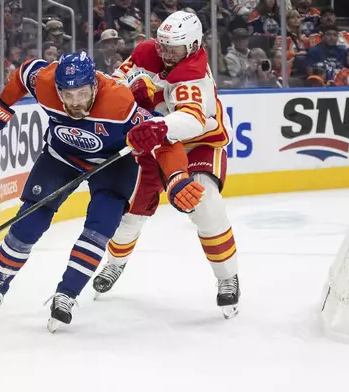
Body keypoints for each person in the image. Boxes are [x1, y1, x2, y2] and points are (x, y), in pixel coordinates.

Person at [0, 51, 155, 332]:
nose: (74, 102)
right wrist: (2, 104)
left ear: (94, 85)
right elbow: (24, 72)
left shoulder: (120, 102)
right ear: (57, 88)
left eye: (81, 93)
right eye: (66, 95)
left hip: (112, 163)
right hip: (62, 156)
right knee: (29, 222)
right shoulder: (44, 81)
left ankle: (66, 295)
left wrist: (173, 169)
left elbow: (156, 133)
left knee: (100, 227)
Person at [98, 10, 240, 319]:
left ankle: (227, 277)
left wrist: (160, 126)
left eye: (172, 48)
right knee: (132, 209)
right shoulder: (151, 52)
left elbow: (190, 119)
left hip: (199, 143)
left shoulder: (193, 76)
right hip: (158, 144)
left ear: (191, 46)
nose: (164, 52)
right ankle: (114, 264)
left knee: (206, 202)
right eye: (161, 44)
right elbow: (120, 77)